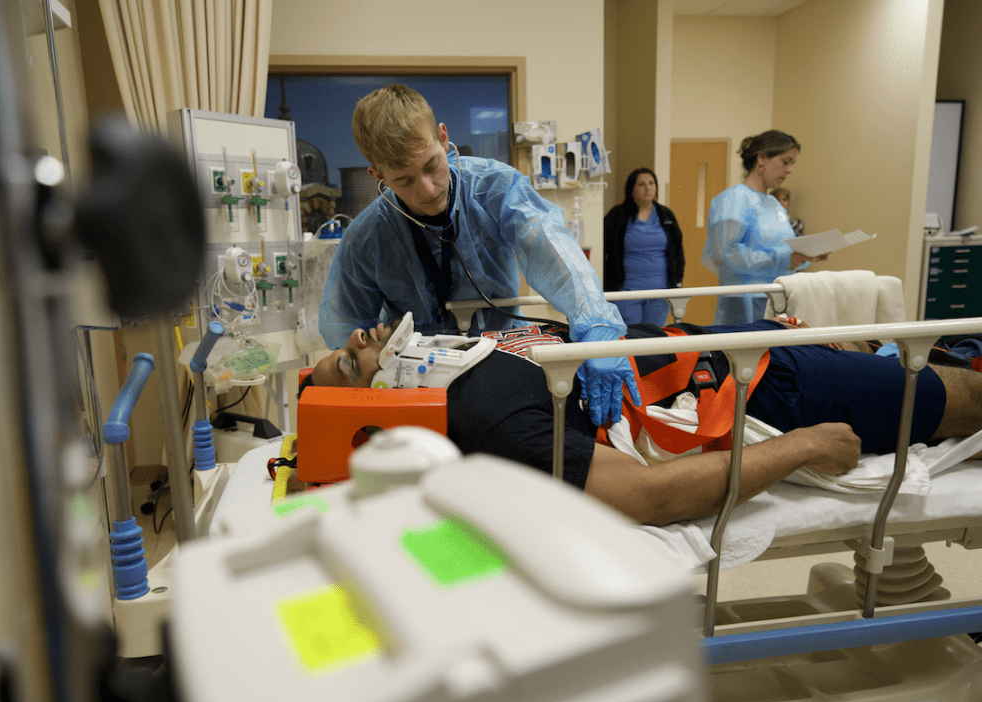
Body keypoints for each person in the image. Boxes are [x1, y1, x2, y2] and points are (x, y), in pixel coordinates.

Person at [303, 317, 982, 527]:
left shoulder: (456, 349)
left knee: (911, 350)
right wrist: (803, 447)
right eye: (350, 363)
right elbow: (652, 497)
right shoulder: (487, 420)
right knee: (965, 395)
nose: (361, 337)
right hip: (767, 391)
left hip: (722, 342)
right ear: (374, 411)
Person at [317, 84, 638, 426]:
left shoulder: (495, 188)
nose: (427, 189)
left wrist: (595, 328)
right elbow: (346, 335)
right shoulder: (366, 239)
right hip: (416, 386)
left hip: (506, 364)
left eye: (431, 165)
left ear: (443, 138)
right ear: (378, 176)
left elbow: (555, 252)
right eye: (404, 180)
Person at [702, 131, 827, 324]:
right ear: (761, 159)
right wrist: (784, 260)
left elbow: (785, 251)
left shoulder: (773, 204)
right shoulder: (735, 199)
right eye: (785, 162)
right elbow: (725, 253)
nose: (790, 170)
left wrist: (806, 256)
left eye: (793, 163)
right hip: (745, 302)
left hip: (778, 298)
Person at [603, 168, 684, 326]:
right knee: (630, 337)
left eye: (651, 183)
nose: (648, 187)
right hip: (626, 291)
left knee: (655, 337)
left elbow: (678, 251)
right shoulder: (617, 215)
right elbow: (603, 248)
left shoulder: (666, 215)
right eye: (641, 184)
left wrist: (678, 281)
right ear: (631, 189)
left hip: (660, 292)